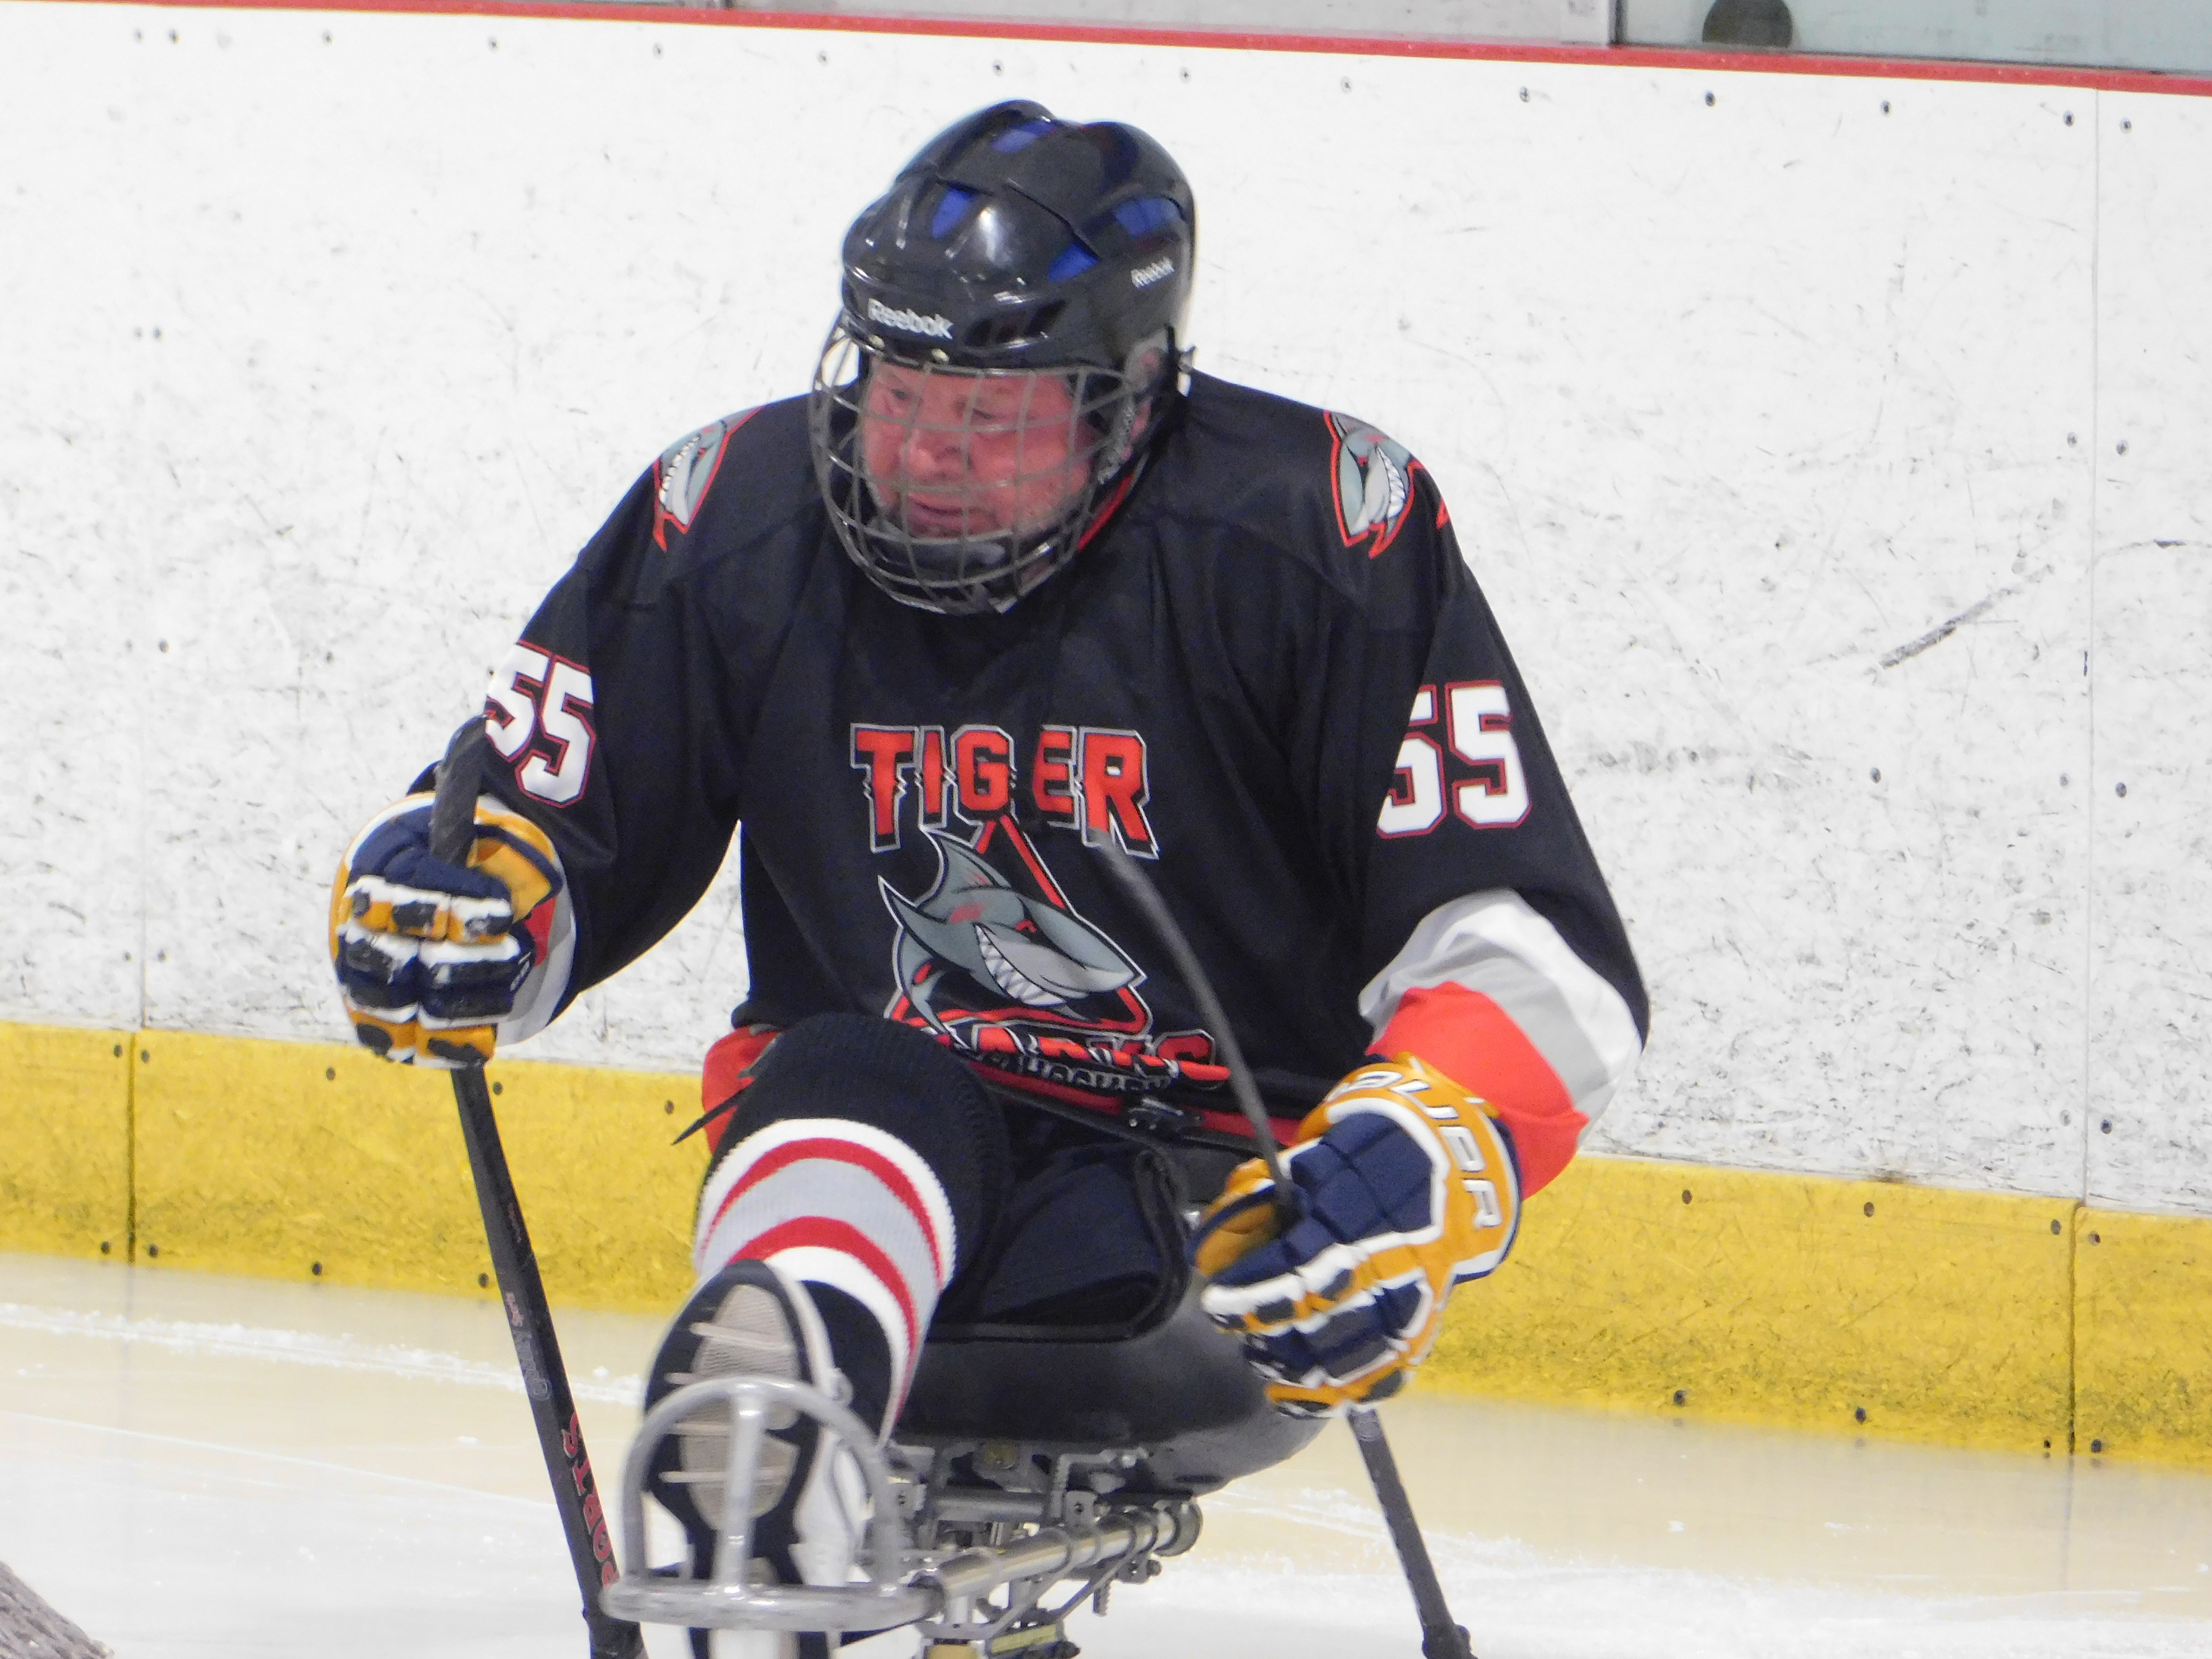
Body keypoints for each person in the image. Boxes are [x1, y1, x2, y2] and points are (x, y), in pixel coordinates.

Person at [329, 100, 1647, 1654]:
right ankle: (774, 1411)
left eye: (993, 413)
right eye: (897, 390)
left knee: (1025, 1206)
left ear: (1130, 398)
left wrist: (1422, 1154)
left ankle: (797, 1368)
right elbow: (527, 811)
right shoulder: (738, 509)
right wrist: (471, 911)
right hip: (871, 1125)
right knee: (848, 1071)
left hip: (1203, 1190)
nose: (925, 455)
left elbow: (1525, 937)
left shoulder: (1313, 531)